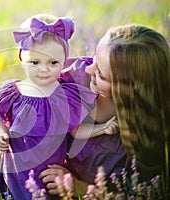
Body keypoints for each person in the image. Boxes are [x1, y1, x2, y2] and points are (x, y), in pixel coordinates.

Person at [0, 14, 117, 199]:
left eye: (53, 63)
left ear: (64, 61)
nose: (43, 69)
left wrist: (103, 128)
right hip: (15, 176)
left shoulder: (66, 97)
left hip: (49, 178)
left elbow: (76, 132)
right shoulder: (10, 95)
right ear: (21, 57)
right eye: (34, 62)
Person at [39, 24, 170, 197]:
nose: (88, 69)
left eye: (100, 74)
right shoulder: (73, 80)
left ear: (127, 91)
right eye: (94, 59)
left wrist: (81, 188)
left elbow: (140, 193)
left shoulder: (147, 139)